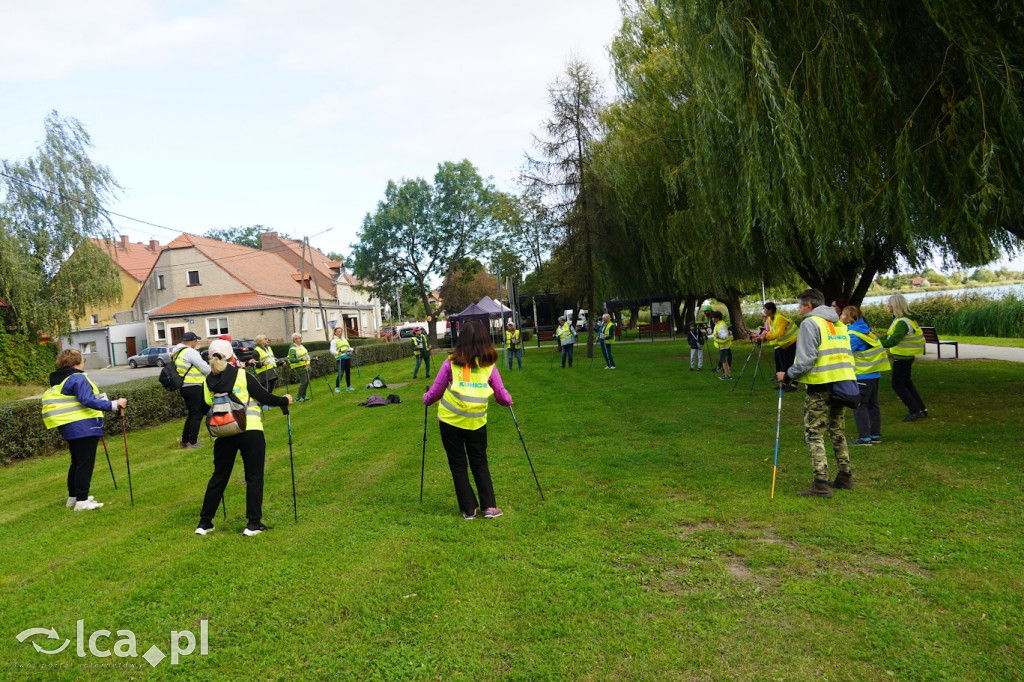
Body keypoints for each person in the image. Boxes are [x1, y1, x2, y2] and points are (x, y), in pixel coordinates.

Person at [195, 340, 292, 536]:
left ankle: (205, 523)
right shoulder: (242, 375)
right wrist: (285, 400)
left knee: (219, 477)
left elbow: (204, 406)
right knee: (254, 477)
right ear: (232, 356)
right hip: (251, 431)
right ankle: (253, 525)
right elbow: (264, 397)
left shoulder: (208, 380)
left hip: (223, 433)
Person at [423, 320, 512, 520]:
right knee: (479, 462)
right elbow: (500, 393)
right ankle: (489, 506)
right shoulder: (488, 366)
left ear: (461, 340)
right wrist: (507, 401)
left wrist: (426, 399)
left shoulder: (451, 363)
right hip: (476, 422)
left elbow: (436, 391)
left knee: (458, 464)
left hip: (450, 421)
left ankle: (468, 509)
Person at [776, 288, 857, 498]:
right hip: (843, 384)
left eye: (800, 306)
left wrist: (787, 375)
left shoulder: (810, 323)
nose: (799, 310)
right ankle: (845, 475)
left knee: (815, 433)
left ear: (809, 306)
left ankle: (821, 482)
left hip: (820, 386)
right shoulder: (838, 324)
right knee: (837, 430)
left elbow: (805, 360)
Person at [41, 349, 128, 511]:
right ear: (77, 361)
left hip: (69, 426)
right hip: (84, 427)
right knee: (84, 464)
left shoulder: (59, 379)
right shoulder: (78, 378)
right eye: (82, 359)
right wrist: (114, 405)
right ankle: (82, 501)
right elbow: (86, 400)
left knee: (77, 462)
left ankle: (74, 497)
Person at [842, 305, 890, 445]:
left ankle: (864, 437)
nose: (841, 317)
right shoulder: (866, 331)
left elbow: (845, 351)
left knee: (859, 405)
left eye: (843, 315)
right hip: (874, 374)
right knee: (873, 405)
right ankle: (875, 435)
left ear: (850, 318)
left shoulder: (853, 335)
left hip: (862, 375)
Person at [878, 293, 927, 421]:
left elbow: (892, 342)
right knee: (907, 383)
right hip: (906, 356)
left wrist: (874, 342)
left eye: (889, 303)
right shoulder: (905, 319)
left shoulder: (902, 322)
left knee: (898, 385)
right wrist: (879, 337)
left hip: (902, 357)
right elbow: (892, 337)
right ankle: (921, 408)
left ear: (894, 305)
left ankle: (914, 410)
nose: (887, 306)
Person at [170, 331, 211, 449]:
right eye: (196, 341)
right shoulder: (190, 352)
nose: (196, 343)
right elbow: (204, 368)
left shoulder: (177, 353)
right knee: (197, 414)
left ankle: (184, 441)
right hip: (195, 385)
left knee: (191, 414)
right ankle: (193, 443)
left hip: (184, 386)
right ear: (192, 342)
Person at [753, 302, 799, 390]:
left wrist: (765, 337)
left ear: (770, 310)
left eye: (765, 309)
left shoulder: (779, 318)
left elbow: (779, 333)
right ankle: (784, 383)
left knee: (792, 363)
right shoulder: (769, 319)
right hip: (785, 344)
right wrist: (762, 338)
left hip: (794, 341)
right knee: (785, 364)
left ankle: (794, 385)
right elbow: (769, 332)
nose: (764, 311)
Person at [251, 334, 280, 410]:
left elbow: (272, 358)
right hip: (263, 373)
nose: (267, 340)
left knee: (270, 389)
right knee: (266, 389)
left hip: (271, 371)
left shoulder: (268, 348)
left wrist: (280, 362)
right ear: (260, 341)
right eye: (265, 339)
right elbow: (254, 363)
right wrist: (261, 363)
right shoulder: (256, 351)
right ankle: (264, 404)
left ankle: (268, 403)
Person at [330, 326, 356, 392]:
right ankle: (337, 387)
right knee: (341, 372)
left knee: (348, 372)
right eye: (338, 331)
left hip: (347, 357)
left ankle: (348, 386)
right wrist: (337, 353)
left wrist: (353, 350)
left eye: (341, 331)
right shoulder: (334, 341)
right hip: (340, 358)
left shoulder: (344, 339)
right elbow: (331, 350)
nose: (340, 332)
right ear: (335, 333)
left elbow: (348, 347)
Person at [287, 333, 311, 402]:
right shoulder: (292, 349)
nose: (301, 339)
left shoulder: (301, 346)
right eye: (299, 338)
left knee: (307, 381)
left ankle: (303, 396)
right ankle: (298, 397)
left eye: (301, 338)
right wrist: (301, 359)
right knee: (304, 381)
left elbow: (306, 355)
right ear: (295, 340)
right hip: (299, 366)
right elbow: (291, 359)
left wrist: (311, 359)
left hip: (306, 365)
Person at [709, 311, 733, 380]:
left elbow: (725, 335)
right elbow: (715, 334)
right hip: (722, 345)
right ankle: (727, 374)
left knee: (723, 360)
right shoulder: (718, 324)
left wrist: (719, 336)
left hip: (723, 346)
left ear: (717, 318)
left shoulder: (721, 325)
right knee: (723, 360)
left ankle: (727, 375)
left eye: (713, 318)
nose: (712, 319)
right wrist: (708, 337)